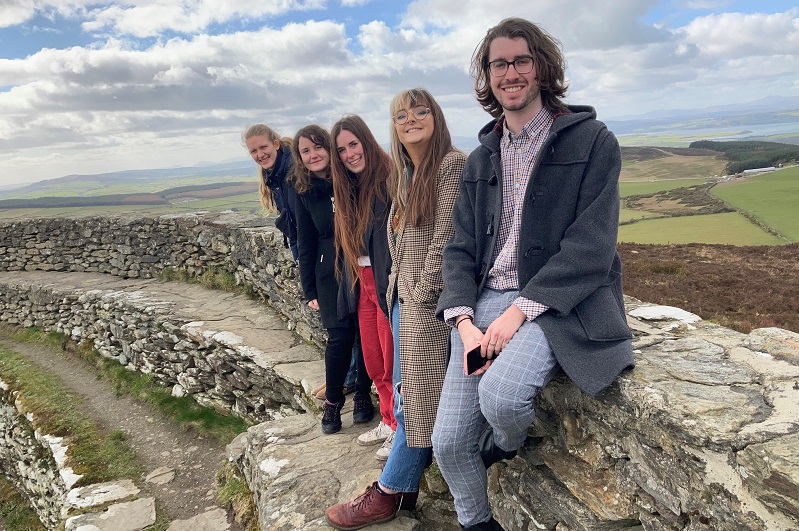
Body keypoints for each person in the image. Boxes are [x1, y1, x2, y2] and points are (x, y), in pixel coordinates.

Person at [430, 18, 635, 531]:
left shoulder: (591, 141)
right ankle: (477, 523)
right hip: (481, 309)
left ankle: (503, 448)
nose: (511, 72)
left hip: (553, 306)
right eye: (499, 64)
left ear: (542, 67)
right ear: (488, 77)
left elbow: (591, 247)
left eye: (521, 60)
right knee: (449, 442)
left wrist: (520, 311)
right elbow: (459, 249)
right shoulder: (482, 158)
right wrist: (464, 322)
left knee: (501, 395)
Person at [325, 89, 466, 530]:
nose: (411, 120)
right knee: (411, 398)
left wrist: (420, 295)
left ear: (436, 116)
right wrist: (394, 291)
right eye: (401, 115)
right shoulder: (408, 172)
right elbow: (398, 242)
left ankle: (387, 492)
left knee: (417, 404)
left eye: (420, 111)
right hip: (402, 300)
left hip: (428, 305)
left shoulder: (450, 164)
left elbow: (446, 238)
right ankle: (403, 490)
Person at [289, 124, 372, 433]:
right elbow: (305, 240)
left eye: (318, 147)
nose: (313, 155)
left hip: (363, 266)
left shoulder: (352, 178)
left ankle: (363, 393)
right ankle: (333, 402)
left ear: (329, 148)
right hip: (329, 272)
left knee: (365, 335)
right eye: (305, 151)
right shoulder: (304, 191)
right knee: (339, 338)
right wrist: (308, 286)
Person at [329, 115, 397, 457]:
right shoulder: (346, 190)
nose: (349, 154)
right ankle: (387, 419)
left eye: (353, 144)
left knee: (391, 359)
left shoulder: (388, 179)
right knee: (372, 360)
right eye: (341, 149)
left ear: (366, 141)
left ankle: (400, 426)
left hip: (386, 281)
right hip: (363, 283)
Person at [243, 124, 299, 261]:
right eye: (254, 151)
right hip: (300, 246)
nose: (260, 155)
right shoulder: (273, 175)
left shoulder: (296, 170)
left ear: (276, 144)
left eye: (263, 147)